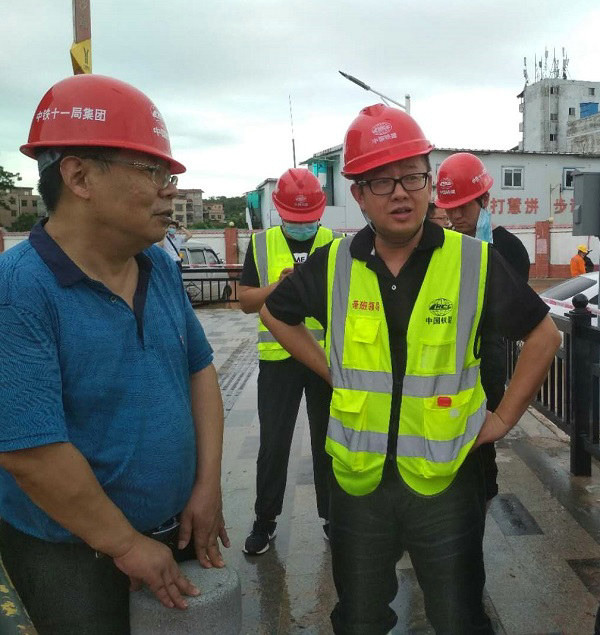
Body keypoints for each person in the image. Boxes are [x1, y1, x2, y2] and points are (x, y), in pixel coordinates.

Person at [259, 103, 561, 633]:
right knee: (359, 619)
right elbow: (274, 313)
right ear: (358, 193)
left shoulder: (473, 261)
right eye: (381, 181)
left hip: (447, 481)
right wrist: (332, 370)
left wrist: (502, 419)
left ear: (429, 182)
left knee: (457, 617)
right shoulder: (334, 264)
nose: (400, 193)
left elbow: (544, 335)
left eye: (412, 177)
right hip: (358, 485)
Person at [0, 74, 229, 634]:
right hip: (72, 556)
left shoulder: (160, 268)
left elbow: (199, 371)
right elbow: (31, 452)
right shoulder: (19, 290)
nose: (169, 190)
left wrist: (207, 485)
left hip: (173, 528)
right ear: (79, 176)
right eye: (152, 171)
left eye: (170, 175)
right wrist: (124, 543)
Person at [239, 168, 340, 555]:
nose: (302, 224)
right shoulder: (261, 244)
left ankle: (333, 517)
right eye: (294, 218)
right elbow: (246, 302)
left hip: (322, 358)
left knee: (328, 440)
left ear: (321, 210)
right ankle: (265, 520)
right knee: (273, 442)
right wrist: (278, 288)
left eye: (308, 217)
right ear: (279, 211)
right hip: (277, 360)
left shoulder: (336, 244)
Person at [435, 151, 530, 504]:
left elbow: (512, 314)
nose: (456, 216)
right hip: (446, 353)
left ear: (485, 200)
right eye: (450, 208)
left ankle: (484, 492)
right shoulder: (442, 246)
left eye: (464, 207)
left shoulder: (509, 248)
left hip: (486, 351)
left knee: (480, 428)